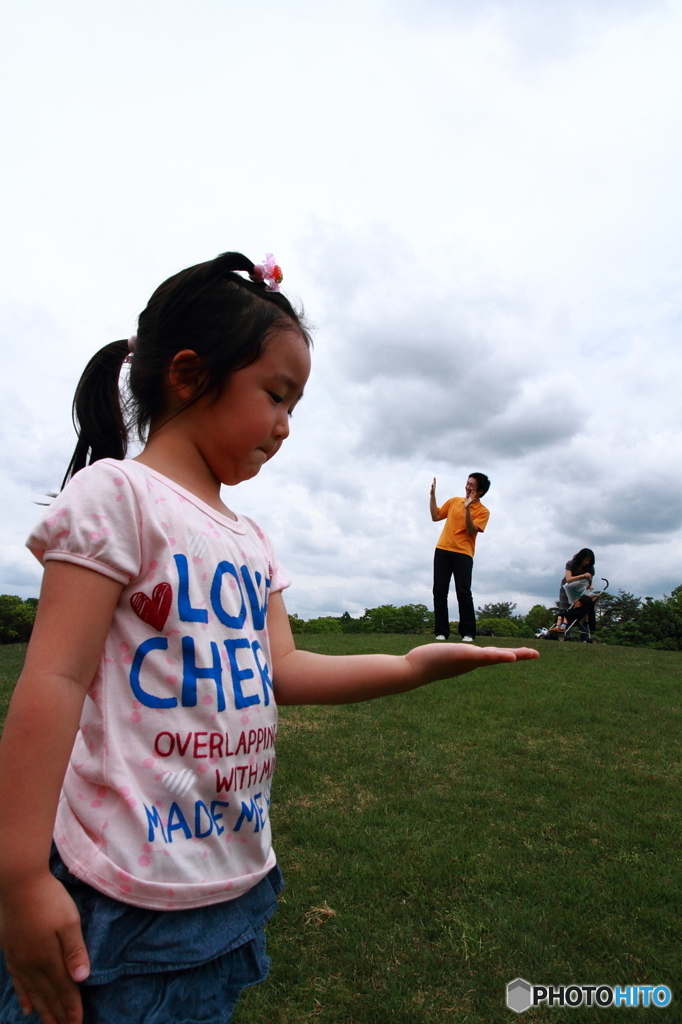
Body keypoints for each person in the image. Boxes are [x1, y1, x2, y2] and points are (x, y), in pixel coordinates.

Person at [0, 251, 539, 1024]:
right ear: (189, 375)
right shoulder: (118, 496)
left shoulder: (251, 539)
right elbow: (51, 681)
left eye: (296, 406)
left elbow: (282, 666)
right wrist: (19, 876)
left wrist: (413, 666)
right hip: (118, 890)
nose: (286, 427)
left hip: (230, 879)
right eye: (277, 396)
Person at [430, 474, 490, 642]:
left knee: (463, 592)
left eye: (472, 485)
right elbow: (435, 516)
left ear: (480, 491)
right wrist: (432, 496)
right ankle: (441, 631)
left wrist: (468, 508)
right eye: (467, 483)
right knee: (439, 590)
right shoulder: (454, 501)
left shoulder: (483, 511)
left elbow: (471, 530)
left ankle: (468, 632)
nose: (467, 487)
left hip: (463, 553)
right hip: (442, 549)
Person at [551, 548, 596, 633]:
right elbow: (568, 579)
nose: (587, 562)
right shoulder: (571, 564)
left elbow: (590, 581)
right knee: (565, 609)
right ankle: (561, 630)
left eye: (589, 561)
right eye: (586, 560)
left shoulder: (590, 568)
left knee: (581, 608)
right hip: (568, 588)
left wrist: (589, 585)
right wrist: (582, 576)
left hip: (580, 590)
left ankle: (584, 635)